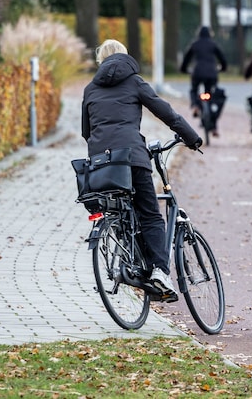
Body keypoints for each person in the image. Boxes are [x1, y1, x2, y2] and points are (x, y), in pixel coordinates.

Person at [82, 39, 203, 302]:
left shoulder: (90, 88)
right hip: (132, 157)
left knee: (122, 206)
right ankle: (160, 272)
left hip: (100, 165)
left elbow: (86, 131)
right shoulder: (134, 81)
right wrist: (191, 137)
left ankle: (128, 253)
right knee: (150, 215)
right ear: (126, 58)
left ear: (101, 61)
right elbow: (166, 113)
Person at [179, 26, 227, 126]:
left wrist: (183, 69)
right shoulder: (213, 44)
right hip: (211, 73)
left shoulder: (194, 44)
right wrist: (223, 68)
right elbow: (222, 58)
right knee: (210, 93)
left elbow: (186, 58)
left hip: (197, 72)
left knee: (194, 89)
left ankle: (195, 105)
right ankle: (212, 121)